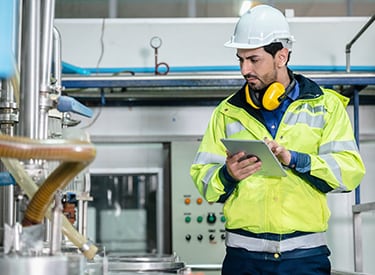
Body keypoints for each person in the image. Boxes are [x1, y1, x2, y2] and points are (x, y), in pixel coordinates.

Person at [190, 4, 365, 275]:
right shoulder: (226, 112)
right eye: (240, 59)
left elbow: (350, 172)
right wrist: (227, 175)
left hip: (304, 258)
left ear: (281, 56)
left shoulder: (325, 106)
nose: (244, 69)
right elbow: (203, 176)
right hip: (243, 258)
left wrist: (295, 159)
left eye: (254, 59)